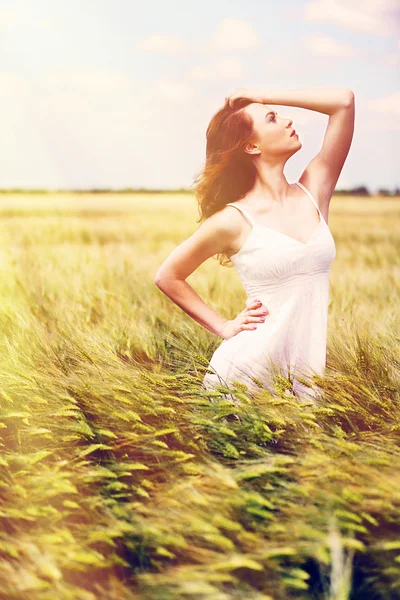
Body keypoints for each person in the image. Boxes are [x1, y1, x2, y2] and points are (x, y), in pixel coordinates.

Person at [154, 87, 355, 403]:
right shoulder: (232, 220)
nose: (288, 121)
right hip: (242, 383)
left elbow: (343, 103)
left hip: (304, 382)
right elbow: (167, 276)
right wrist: (223, 326)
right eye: (273, 118)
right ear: (250, 145)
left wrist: (263, 96)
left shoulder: (314, 190)